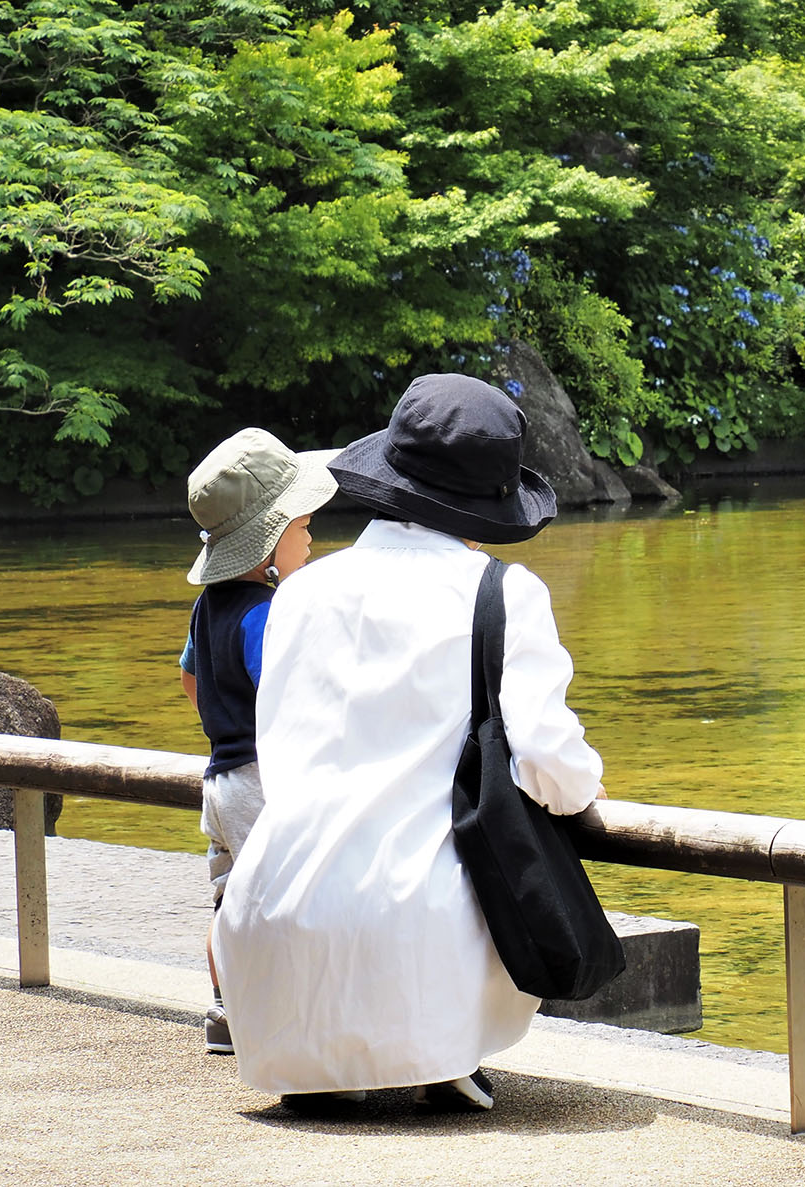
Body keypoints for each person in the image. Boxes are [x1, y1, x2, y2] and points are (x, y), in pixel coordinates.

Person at [213, 373, 605, 1115]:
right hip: (420, 941)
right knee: (457, 874)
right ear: (487, 498)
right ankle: (439, 1054)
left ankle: (353, 1059)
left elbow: (280, 743)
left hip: (270, 925)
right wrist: (585, 791)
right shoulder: (501, 592)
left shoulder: (300, 592)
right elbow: (549, 758)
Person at [178, 427, 339, 1056]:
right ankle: (291, 1008)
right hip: (260, 780)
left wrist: (224, 724)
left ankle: (224, 1010)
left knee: (228, 897)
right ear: (270, 545)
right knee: (282, 896)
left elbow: (191, 679)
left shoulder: (208, 607)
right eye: (302, 528)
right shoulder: (266, 614)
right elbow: (285, 695)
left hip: (219, 779)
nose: (311, 539)